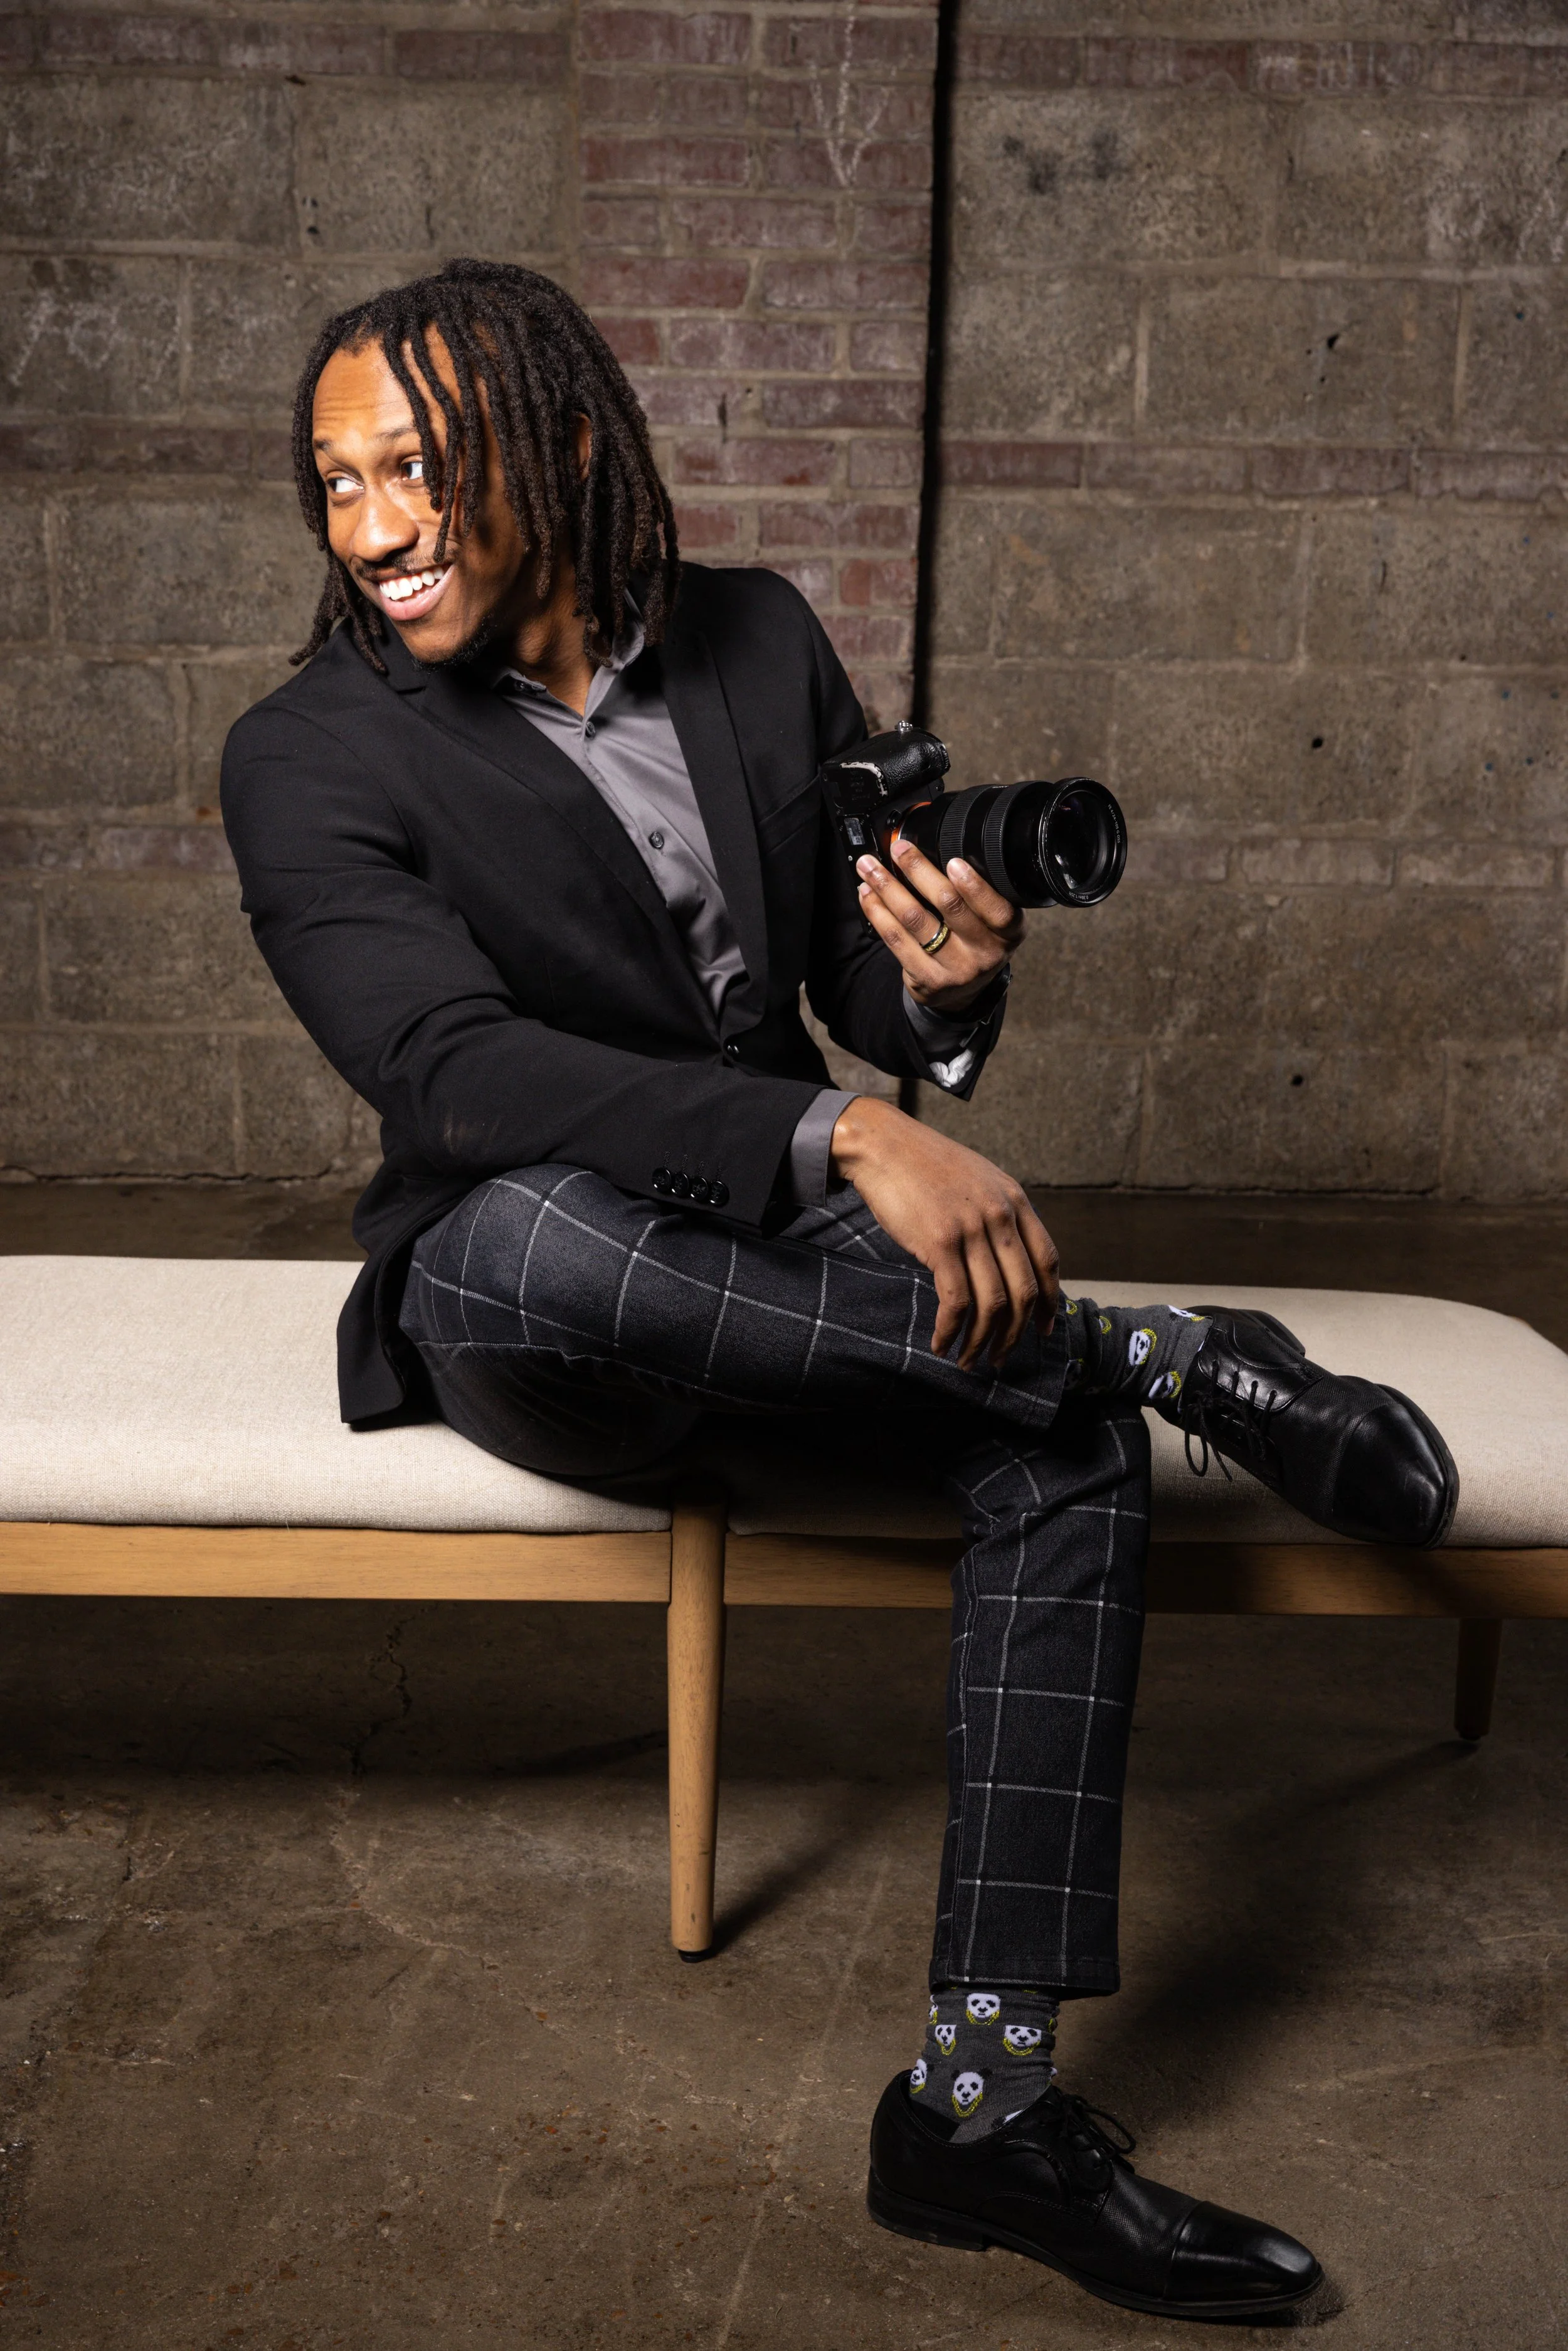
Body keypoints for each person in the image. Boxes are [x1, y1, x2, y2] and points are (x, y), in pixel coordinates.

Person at [221, 259, 1458, 2325]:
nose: (371, 529)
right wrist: (841, 1135)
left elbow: (846, 984)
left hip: (801, 1295)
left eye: (413, 469)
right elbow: (448, 1072)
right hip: (562, 1312)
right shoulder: (307, 753)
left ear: (551, 437)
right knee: (509, 1223)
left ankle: (974, 2111)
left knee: (1058, 1446)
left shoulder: (753, 642)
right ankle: (1164, 1349)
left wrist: (943, 997)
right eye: (336, 484)